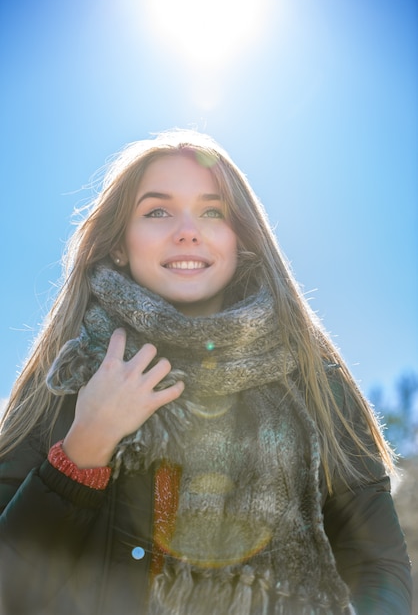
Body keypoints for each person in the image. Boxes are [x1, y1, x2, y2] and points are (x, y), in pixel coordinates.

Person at [0, 129, 412, 615]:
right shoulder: (68, 378)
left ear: (241, 239)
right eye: (157, 211)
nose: (187, 230)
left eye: (212, 211)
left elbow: (379, 569)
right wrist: (85, 446)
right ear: (118, 245)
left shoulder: (316, 383)